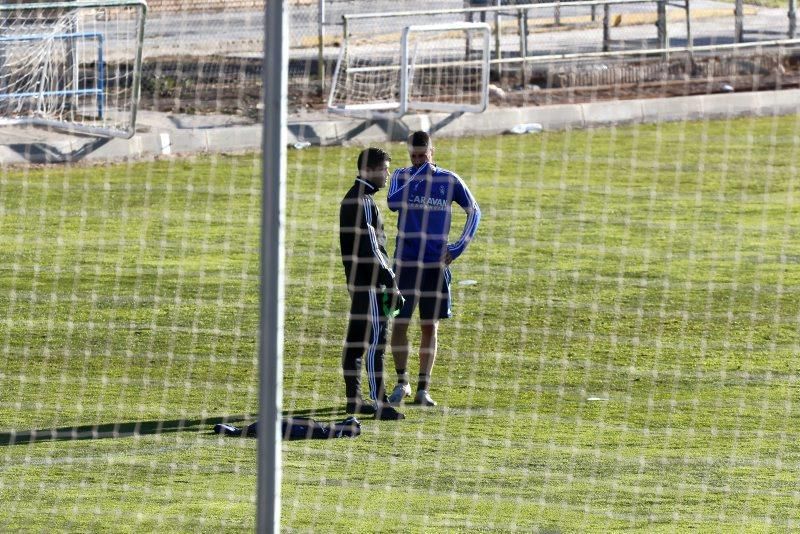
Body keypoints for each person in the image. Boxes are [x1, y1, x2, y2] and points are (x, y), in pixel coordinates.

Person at [386, 131, 481, 407]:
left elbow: (474, 211)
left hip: (434, 267)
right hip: (405, 264)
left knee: (430, 325)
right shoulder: (402, 176)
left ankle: (422, 389)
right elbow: (392, 204)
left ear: (432, 152)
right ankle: (401, 382)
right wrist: (418, 174)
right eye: (413, 156)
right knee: (399, 322)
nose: (417, 161)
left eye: (422, 156)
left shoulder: (448, 180)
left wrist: (456, 248)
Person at [339, 147, 406, 421]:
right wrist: (391, 283)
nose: (387, 175)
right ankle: (380, 403)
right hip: (370, 285)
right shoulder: (363, 201)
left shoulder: (352, 198)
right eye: (384, 169)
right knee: (375, 342)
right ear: (368, 170)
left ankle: (354, 400)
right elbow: (373, 248)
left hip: (357, 283)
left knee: (356, 343)